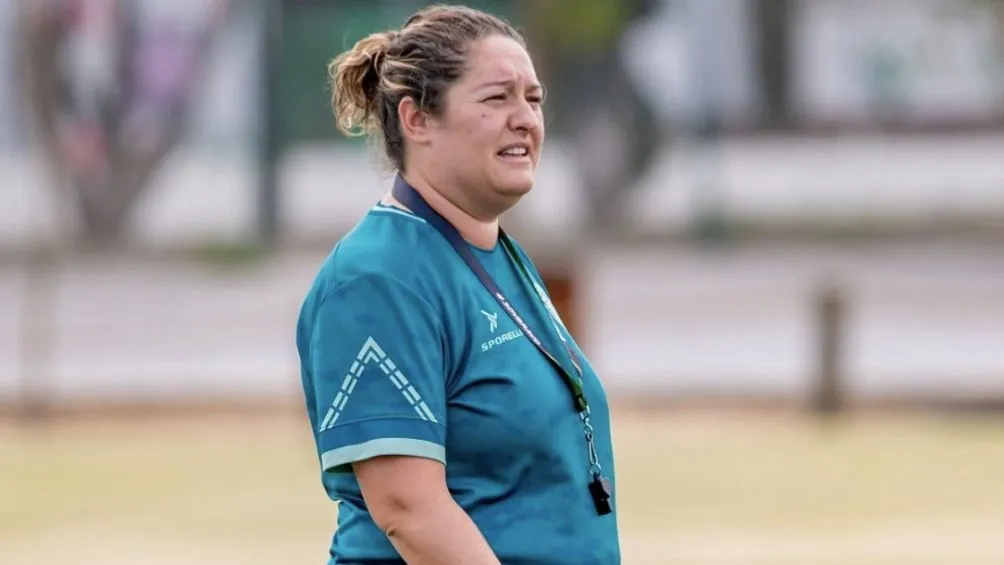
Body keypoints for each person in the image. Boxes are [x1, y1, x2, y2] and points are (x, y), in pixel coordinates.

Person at [295, 5, 619, 564]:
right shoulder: (379, 277)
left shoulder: (492, 252)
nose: (525, 119)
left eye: (534, 99)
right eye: (497, 99)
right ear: (417, 119)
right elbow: (409, 512)